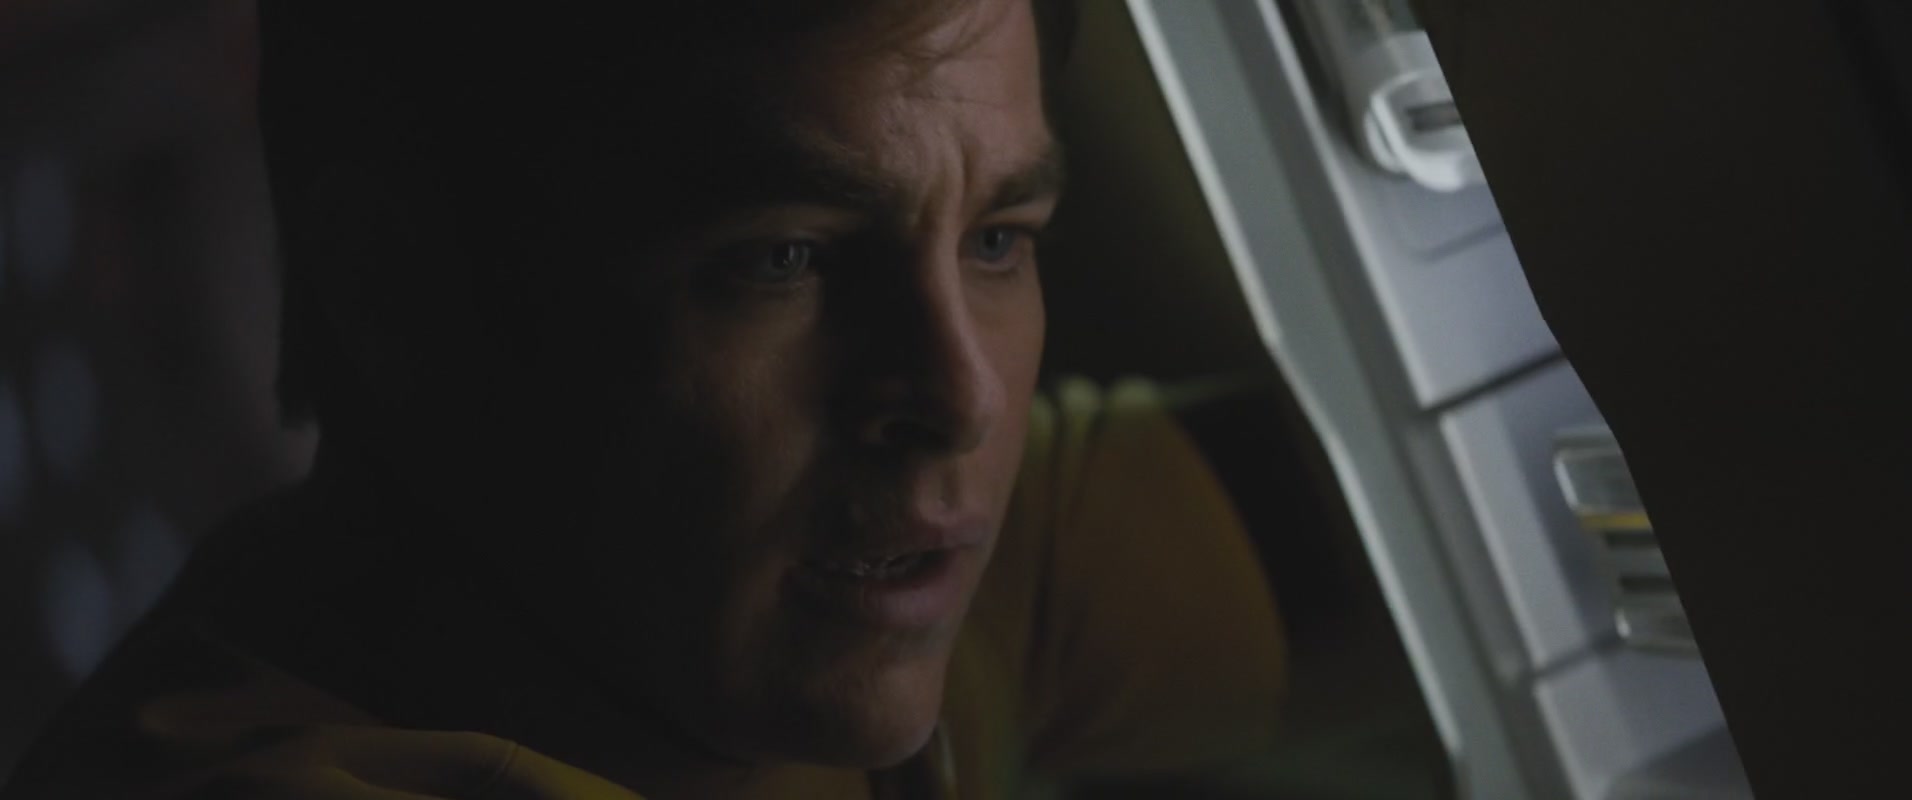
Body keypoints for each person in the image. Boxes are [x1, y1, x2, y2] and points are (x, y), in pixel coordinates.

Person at [2, 1, 1288, 797]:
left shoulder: (818, 593)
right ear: (397, 285)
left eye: (997, 239)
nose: (959, 396)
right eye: (783, 259)